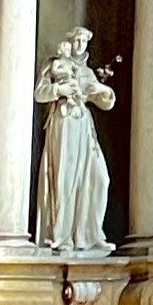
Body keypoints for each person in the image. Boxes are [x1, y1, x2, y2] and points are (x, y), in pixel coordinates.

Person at [34, 27, 115, 255]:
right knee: (65, 177)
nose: (80, 45)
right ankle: (62, 235)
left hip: (84, 125)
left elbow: (105, 102)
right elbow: (40, 93)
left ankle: (90, 234)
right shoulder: (55, 64)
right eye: (77, 40)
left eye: (84, 41)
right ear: (69, 42)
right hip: (64, 121)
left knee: (99, 178)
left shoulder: (87, 72)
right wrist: (59, 89)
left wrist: (102, 89)